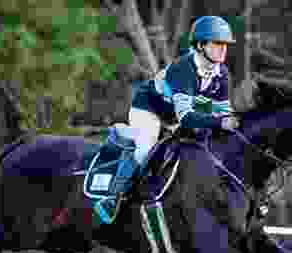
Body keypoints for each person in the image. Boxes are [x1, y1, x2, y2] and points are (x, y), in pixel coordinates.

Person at [95, 15, 241, 224]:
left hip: (175, 117)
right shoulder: (185, 69)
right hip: (149, 110)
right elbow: (188, 118)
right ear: (200, 45)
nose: (223, 49)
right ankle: (112, 198)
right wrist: (220, 122)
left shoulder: (222, 74)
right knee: (146, 149)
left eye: (225, 44)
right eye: (218, 43)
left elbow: (224, 113)